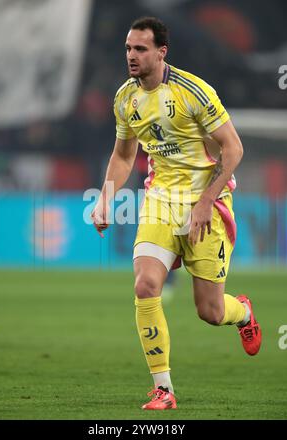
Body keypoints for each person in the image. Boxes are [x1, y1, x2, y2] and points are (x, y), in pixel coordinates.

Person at [91, 16, 262, 410]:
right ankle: (164, 390)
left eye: (140, 49)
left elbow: (233, 149)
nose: (131, 56)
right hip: (160, 200)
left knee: (211, 311)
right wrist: (106, 199)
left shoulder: (193, 91)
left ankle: (244, 312)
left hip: (208, 202)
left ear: (161, 52)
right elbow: (123, 153)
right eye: (128, 49)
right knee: (145, 286)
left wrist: (205, 202)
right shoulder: (125, 98)